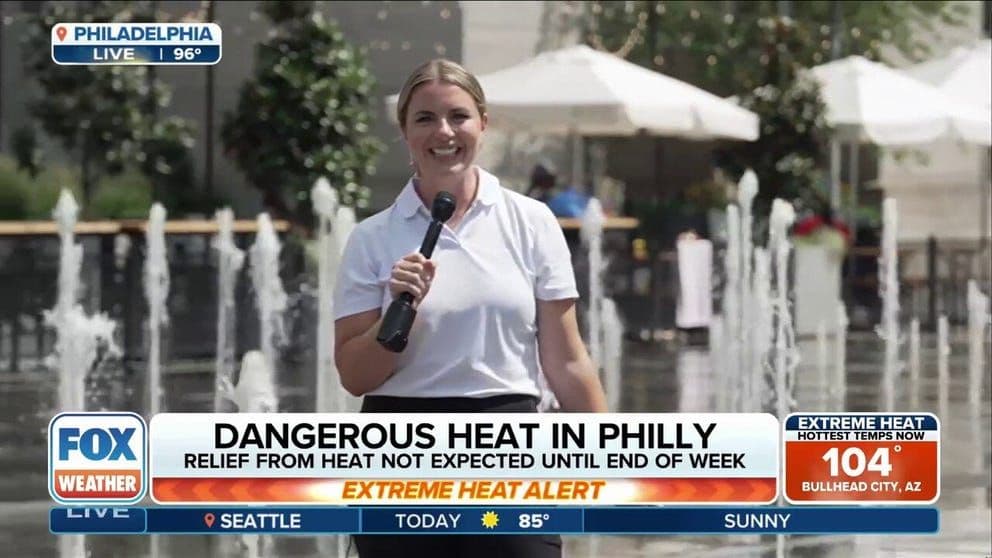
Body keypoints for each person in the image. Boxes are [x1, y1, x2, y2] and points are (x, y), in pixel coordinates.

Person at [333, 58, 608, 558]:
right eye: (425, 119)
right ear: (405, 132)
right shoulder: (371, 239)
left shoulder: (533, 222)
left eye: (459, 116)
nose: (444, 131)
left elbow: (567, 363)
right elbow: (354, 376)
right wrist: (398, 313)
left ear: (483, 123)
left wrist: (609, 455)